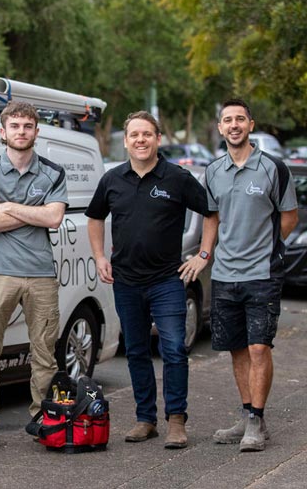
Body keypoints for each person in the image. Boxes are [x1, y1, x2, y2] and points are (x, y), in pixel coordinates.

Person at [86, 111, 210, 449]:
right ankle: (145, 419)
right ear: (126, 141)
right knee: (137, 351)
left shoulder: (177, 178)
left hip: (167, 281)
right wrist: (99, 256)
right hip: (125, 281)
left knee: (173, 350)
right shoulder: (112, 179)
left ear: (157, 139)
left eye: (147, 134)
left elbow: (211, 211)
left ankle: (176, 420)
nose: (141, 140)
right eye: (134, 135)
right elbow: (95, 218)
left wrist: (203, 255)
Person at [181, 98, 298, 452]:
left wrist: (267, 248)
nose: (234, 125)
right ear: (220, 128)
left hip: (262, 273)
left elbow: (289, 216)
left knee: (259, 346)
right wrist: (205, 254)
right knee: (236, 350)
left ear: (250, 125)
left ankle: (257, 421)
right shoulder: (213, 171)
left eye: (240, 119)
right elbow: (211, 217)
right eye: (227, 120)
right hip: (225, 274)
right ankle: (248, 416)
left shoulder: (273, 168)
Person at [0, 101, 67, 449]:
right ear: (3, 132)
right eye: (15, 126)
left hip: (41, 275)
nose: (21, 131)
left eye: (27, 126)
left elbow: (54, 219)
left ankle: (44, 420)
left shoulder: (53, 173)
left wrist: (8, 207)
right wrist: (34, 212)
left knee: (44, 355)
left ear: (36, 132)